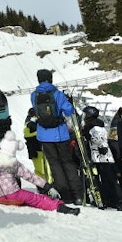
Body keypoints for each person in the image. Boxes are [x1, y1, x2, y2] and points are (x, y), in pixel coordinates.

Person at [0, 130, 80, 216]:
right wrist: (47, 186)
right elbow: (30, 176)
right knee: (37, 199)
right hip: (14, 194)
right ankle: (60, 207)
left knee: (26, 199)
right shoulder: (14, 163)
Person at [29, 69, 82, 205]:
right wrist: (68, 101)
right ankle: (77, 195)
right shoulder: (57, 94)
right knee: (67, 163)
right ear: (50, 79)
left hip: (44, 135)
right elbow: (69, 110)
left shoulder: (34, 95)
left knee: (55, 165)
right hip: (60, 134)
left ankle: (65, 195)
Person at [81, 106, 122, 210]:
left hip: (103, 158)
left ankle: (119, 202)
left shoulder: (95, 126)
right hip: (98, 157)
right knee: (103, 181)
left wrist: (87, 136)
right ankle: (108, 200)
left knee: (110, 180)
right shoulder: (91, 126)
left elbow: (100, 141)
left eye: (85, 115)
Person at [23, 107, 50, 183]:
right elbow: (26, 135)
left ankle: (48, 184)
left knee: (46, 168)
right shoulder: (28, 124)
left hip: (42, 149)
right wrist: (37, 134)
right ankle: (41, 185)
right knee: (39, 169)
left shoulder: (39, 123)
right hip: (35, 150)